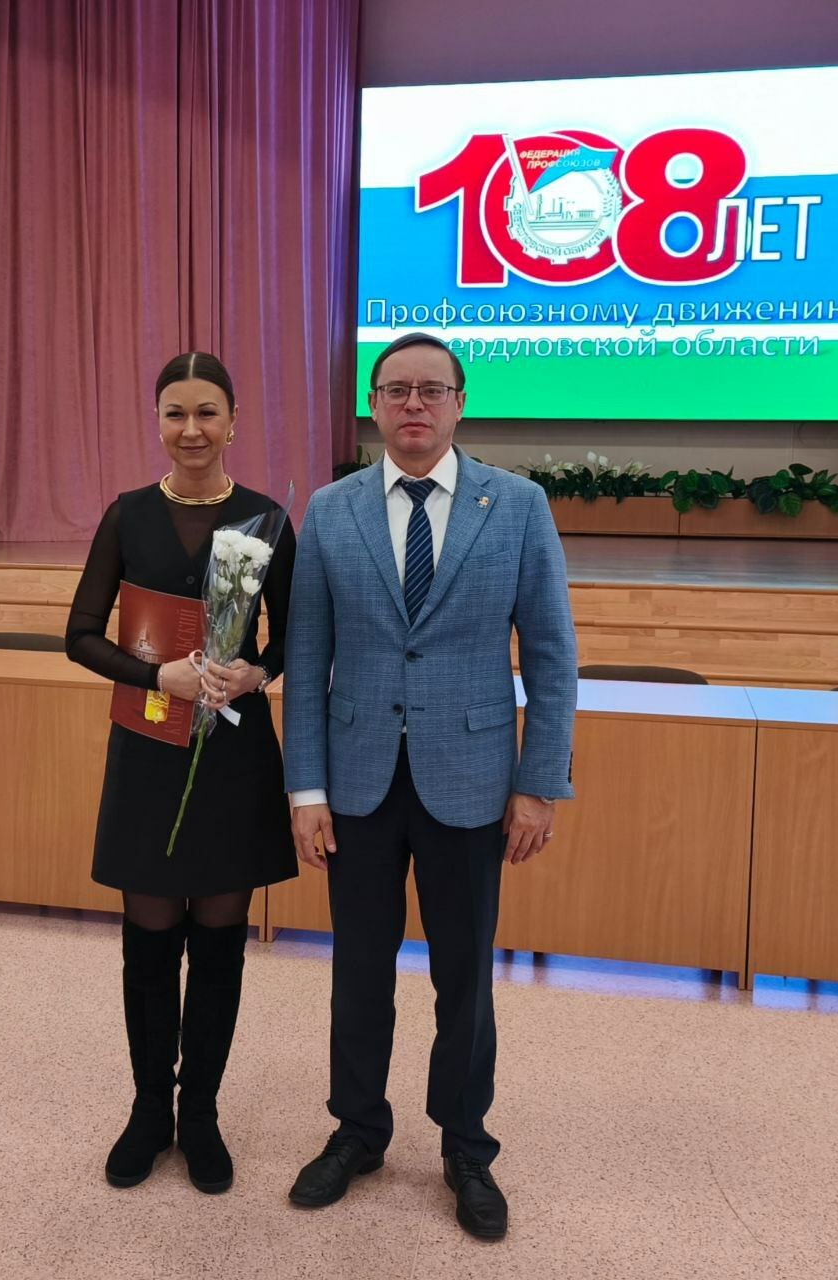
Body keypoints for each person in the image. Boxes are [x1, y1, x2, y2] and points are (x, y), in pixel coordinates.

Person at [282, 332, 577, 1240]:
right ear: (373, 403)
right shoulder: (331, 510)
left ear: (458, 403)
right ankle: (357, 1131)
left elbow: (552, 656)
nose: (413, 404)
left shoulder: (517, 505)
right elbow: (306, 655)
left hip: (472, 781)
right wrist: (305, 790)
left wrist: (539, 782)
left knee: (464, 979)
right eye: (396, 389)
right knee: (358, 973)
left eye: (431, 390)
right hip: (358, 783)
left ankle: (465, 1147)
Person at [65, 351, 297, 1194]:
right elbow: (79, 634)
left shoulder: (268, 520)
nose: (191, 429)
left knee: (221, 939)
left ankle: (199, 1115)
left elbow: (292, 638)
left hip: (232, 756)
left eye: (207, 412)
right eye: (175, 413)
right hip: (149, 745)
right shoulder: (127, 515)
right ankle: (147, 1112)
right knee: (150, 936)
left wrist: (256, 673)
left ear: (233, 421)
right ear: (158, 421)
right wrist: (153, 674)